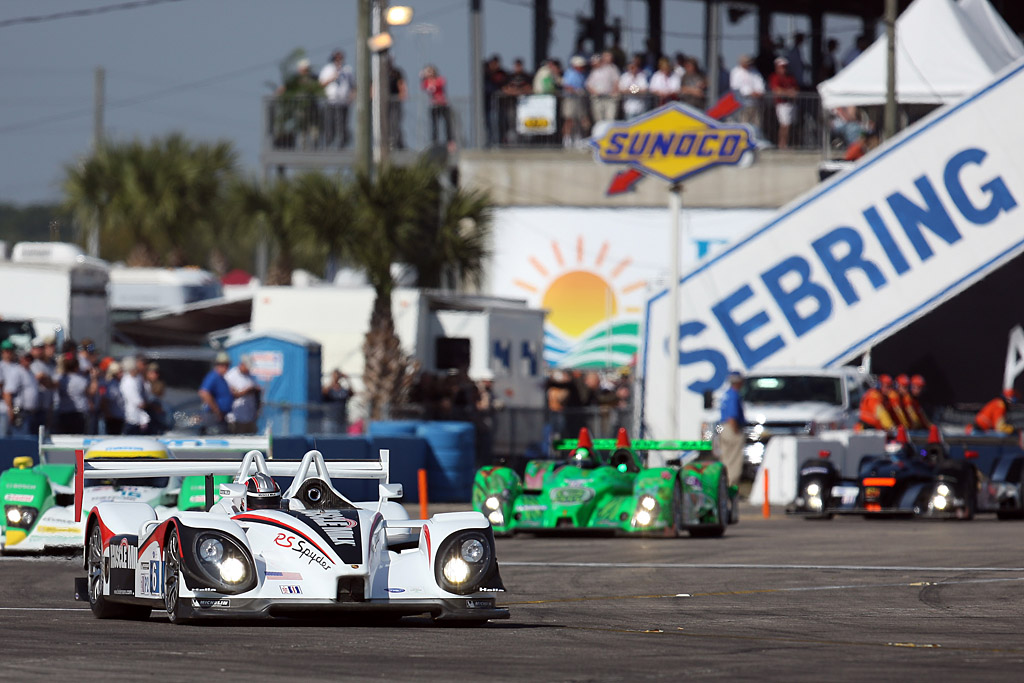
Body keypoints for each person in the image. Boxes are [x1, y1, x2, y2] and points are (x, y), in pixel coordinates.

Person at [319, 49, 355, 147]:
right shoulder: (327, 69)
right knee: (330, 124)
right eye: (337, 58)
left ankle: (342, 144)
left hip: (343, 102)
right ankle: (329, 143)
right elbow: (321, 84)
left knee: (343, 125)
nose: (339, 60)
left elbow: (353, 85)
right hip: (331, 102)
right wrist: (332, 78)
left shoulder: (347, 69)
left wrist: (351, 97)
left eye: (341, 58)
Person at [716, 371, 746, 487]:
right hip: (731, 428)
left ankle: (724, 484)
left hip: (723, 429)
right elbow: (732, 416)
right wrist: (736, 430)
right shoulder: (734, 395)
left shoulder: (726, 394)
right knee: (734, 459)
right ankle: (731, 486)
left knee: (726, 458)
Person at [4, 351, 39, 436]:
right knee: (20, 438)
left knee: (31, 438)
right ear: (21, 359)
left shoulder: (30, 373)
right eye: (26, 358)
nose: (28, 361)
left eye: (29, 359)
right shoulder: (17, 372)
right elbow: (8, 393)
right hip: (20, 411)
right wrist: (10, 411)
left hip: (31, 412)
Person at [55, 354, 92, 434]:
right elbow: (91, 392)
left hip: (63, 413)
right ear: (76, 367)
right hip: (78, 414)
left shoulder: (60, 379)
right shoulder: (81, 380)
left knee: (63, 438)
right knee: (78, 441)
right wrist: (94, 378)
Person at [198, 351, 233, 435]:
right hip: (213, 416)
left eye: (227, 365)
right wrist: (217, 411)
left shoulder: (222, 378)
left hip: (221, 415)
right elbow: (204, 393)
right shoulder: (213, 376)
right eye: (224, 365)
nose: (226, 368)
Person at [225, 354, 260, 434]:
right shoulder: (231, 376)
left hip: (249, 417)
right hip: (236, 417)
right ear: (242, 364)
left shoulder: (250, 376)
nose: (249, 370)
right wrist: (246, 391)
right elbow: (230, 393)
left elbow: (255, 388)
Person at [420, 64, 454, 146]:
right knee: (435, 124)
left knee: (447, 123)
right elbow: (426, 88)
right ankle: (435, 142)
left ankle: (450, 142)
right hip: (434, 106)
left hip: (444, 104)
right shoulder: (426, 82)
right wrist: (422, 77)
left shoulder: (440, 79)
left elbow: (440, 84)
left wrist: (433, 83)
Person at [769, 57, 798, 150]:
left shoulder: (790, 77)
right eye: (781, 67)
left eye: (785, 67)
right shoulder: (775, 77)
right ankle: (782, 144)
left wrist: (791, 92)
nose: (783, 69)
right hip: (781, 104)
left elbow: (796, 89)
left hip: (791, 104)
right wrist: (788, 93)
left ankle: (788, 143)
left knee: (790, 125)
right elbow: (776, 90)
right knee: (784, 124)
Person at [730, 55, 765, 131]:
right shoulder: (736, 72)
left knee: (756, 125)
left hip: (755, 103)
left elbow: (759, 83)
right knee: (744, 124)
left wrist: (759, 92)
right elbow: (735, 87)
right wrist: (750, 92)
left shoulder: (754, 71)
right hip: (742, 104)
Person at [560, 55, 589, 147]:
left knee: (579, 119)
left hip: (579, 99)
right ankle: (567, 139)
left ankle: (577, 138)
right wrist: (576, 91)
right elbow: (566, 86)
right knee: (569, 119)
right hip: (570, 99)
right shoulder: (569, 73)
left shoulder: (582, 74)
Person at [585, 50, 620, 125]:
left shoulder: (612, 68)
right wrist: (595, 92)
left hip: (609, 98)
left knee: (610, 118)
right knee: (599, 120)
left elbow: (616, 81)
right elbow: (588, 85)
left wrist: (613, 92)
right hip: (598, 98)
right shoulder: (594, 72)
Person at [120, 355, 150, 435]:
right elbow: (139, 403)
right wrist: (147, 404)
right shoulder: (128, 381)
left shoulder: (138, 378)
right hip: (131, 420)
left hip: (139, 420)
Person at [618, 54, 649, 119]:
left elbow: (645, 90)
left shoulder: (642, 76)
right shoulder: (624, 77)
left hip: (640, 107)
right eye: (631, 67)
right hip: (628, 107)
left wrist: (632, 90)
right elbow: (621, 90)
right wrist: (635, 90)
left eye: (635, 67)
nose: (633, 69)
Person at [322, 368, 352, 433]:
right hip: (330, 420)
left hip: (341, 421)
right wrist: (333, 380)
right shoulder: (329, 389)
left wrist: (348, 379)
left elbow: (351, 393)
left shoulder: (343, 390)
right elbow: (324, 392)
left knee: (341, 441)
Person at [388, 56, 407, 150]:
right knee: (385, 124)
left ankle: (397, 143)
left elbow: (401, 85)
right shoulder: (377, 71)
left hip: (395, 102)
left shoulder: (396, 72)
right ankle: (387, 143)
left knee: (394, 122)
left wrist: (403, 94)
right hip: (382, 104)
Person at [101, 361, 125, 435]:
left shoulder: (118, 384)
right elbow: (104, 400)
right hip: (113, 419)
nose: (122, 374)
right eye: (120, 372)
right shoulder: (111, 385)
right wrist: (108, 414)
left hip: (119, 417)